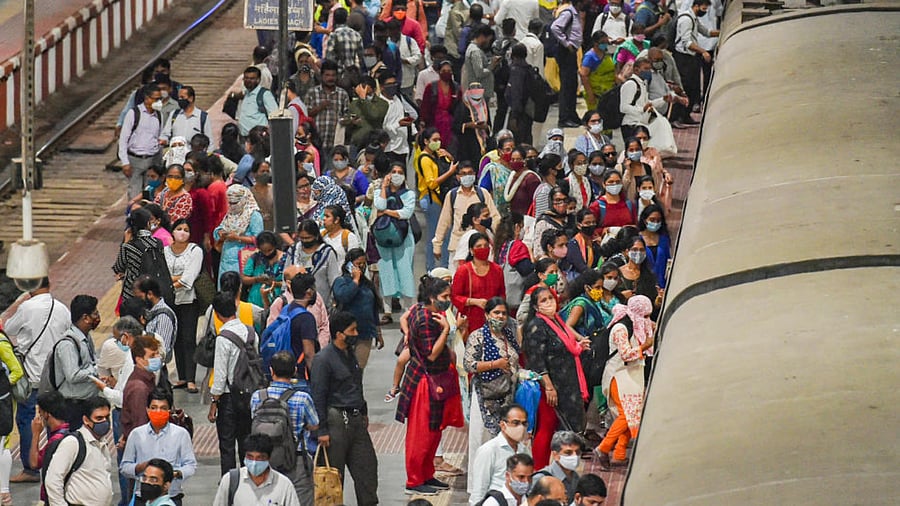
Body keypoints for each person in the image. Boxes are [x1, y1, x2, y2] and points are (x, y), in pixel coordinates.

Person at [396, 278, 465, 496]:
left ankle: (426, 474)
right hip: (424, 383)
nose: (448, 301)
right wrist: (445, 331)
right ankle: (414, 480)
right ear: (432, 298)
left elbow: (404, 318)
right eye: (444, 297)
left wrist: (407, 332)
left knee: (434, 431)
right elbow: (431, 354)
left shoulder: (419, 309)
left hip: (436, 380)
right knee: (422, 434)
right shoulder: (426, 320)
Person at [3, 277, 70, 484]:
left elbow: (9, 329)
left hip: (31, 375)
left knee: (26, 421)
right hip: (55, 377)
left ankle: (30, 469)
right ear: (49, 285)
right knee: (55, 420)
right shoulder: (61, 309)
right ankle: (56, 462)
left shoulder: (26, 308)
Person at [311, 312, 379, 505]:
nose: (356, 333)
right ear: (339, 334)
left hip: (356, 420)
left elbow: (357, 385)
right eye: (352, 330)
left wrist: (364, 411)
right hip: (336, 422)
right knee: (333, 476)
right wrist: (322, 430)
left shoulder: (351, 355)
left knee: (367, 469)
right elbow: (318, 395)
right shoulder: (323, 360)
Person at [523, 286, 590, 468]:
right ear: (536, 307)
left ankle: (562, 468)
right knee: (547, 427)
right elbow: (537, 360)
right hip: (550, 388)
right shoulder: (537, 326)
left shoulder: (557, 321)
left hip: (567, 383)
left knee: (565, 427)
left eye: (550, 298)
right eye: (543, 301)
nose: (549, 303)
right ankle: (539, 469)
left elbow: (566, 346)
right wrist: (549, 386)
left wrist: (579, 346)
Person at [250, 351, 320, 505]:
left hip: (264, 460)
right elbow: (314, 424)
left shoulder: (258, 397)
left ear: (271, 371)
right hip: (296, 459)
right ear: (294, 370)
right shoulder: (302, 398)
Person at [595, 295, 654, 468]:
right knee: (626, 415)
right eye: (645, 316)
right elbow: (626, 354)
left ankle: (619, 454)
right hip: (619, 376)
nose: (647, 320)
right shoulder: (621, 328)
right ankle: (603, 448)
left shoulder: (636, 325)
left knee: (632, 416)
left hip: (631, 376)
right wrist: (645, 346)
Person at [464, 298, 520, 473]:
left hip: (506, 396)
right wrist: (494, 364)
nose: (501, 317)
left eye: (504, 313)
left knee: (503, 442)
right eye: (496, 313)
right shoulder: (478, 336)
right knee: (482, 440)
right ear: (487, 315)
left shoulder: (508, 335)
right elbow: (469, 364)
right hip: (485, 396)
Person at [208, 292, 257, 475]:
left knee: (227, 446)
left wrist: (214, 402)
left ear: (217, 314)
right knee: (247, 442)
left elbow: (220, 376)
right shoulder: (251, 333)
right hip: (249, 396)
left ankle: (229, 483)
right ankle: (249, 480)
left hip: (229, 398)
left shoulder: (223, 338)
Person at [121, 389, 197, 506]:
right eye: (154, 407)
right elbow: (125, 467)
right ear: (147, 409)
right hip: (142, 498)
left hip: (171, 496)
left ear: (169, 410)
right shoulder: (136, 434)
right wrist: (141, 468)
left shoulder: (181, 434)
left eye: (163, 408)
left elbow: (191, 466)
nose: (158, 411)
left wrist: (174, 473)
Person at [44, 396, 113, 506]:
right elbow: (53, 480)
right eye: (99, 418)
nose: (105, 422)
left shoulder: (102, 443)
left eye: (107, 417)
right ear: (86, 420)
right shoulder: (73, 443)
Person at [47, 295, 101, 429]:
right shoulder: (68, 344)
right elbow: (73, 375)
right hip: (73, 407)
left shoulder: (86, 337)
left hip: (86, 402)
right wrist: (96, 369)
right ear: (85, 318)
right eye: (95, 313)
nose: (98, 316)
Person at [373, 162, 417, 319]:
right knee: (386, 272)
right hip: (383, 238)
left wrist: (385, 212)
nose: (397, 174)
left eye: (400, 172)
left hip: (403, 238)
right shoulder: (379, 191)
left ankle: (408, 310)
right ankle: (387, 311)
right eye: (394, 171)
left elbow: (406, 213)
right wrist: (384, 187)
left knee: (405, 272)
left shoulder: (409, 194)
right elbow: (379, 204)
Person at [212, 434, 302, 506]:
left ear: (268, 458)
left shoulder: (284, 485)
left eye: (260, 458)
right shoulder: (230, 481)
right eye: (250, 457)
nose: (254, 462)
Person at [468, 404, 531, 504]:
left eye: (524, 423)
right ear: (502, 425)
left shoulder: (524, 450)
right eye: (516, 423)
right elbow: (479, 490)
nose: (521, 427)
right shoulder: (489, 450)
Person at [416, 127, 458, 271]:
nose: (438, 142)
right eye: (434, 140)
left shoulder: (437, 155)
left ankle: (444, 265)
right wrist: (450, 172)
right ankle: (431, 267)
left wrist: (450, 157)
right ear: (426, 141)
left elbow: (449, 167)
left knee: (444, 233)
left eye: (439, 139)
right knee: (435, 235)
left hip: (439, 199)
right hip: (430, 199)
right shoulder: (424, 159)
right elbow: (432, 182)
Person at [332, 249, 383, 369]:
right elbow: (344, 297)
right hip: (345, 334)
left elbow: (373, 310)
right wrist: (355, 281)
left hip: (365, 333)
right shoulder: (341, 282)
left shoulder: (367, 285)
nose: (361, 267)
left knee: (359, 368)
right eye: (358, 264)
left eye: (363, 263)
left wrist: (378, 332)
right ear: (349, 264)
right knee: (344, 368)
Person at [671, 0, 719, 126]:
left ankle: (686, 115)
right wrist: (703, 51)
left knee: (693, 87)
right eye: (703, 8)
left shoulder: (694, 18)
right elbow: (687, 42)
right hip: (683, 58)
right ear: (696, 6)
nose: (704, 11)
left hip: (690, 58)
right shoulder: (686, 19)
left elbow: (706, 32)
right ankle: (677, 117)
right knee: (684, 86)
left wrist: (721, 33)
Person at [452, 232, 506, 335]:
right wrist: (475, 301)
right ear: (471, 250)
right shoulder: (463, 271)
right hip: (470, 321)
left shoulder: (497, 270)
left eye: (486, 246)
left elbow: (502, 294)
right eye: (479, 246)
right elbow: (455, 297)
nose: (483, 248)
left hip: (492, 320)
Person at [284, 220, 342, 310]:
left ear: (316, 236)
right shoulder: (293, 251)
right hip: (295, 305)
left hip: (321, 305)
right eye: (302, 238)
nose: (304, 241)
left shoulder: (326, 253)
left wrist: (332, 303)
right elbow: (286, 275)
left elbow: (334, 280)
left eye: (307, 238)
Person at [119, 83, 164, 199]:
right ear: (147, 98)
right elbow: (123, 139)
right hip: (135, 160)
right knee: (135, 192)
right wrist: (125, 162)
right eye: (156, 99)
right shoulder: (134, 114)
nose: (159, 102)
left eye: (160, 99)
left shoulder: (159, 115)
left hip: (152, 160)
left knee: (150, 193)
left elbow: (159, 136)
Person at [214, 185, 264, 286]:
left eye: (235, 203)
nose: (232, 206)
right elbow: (219, 228)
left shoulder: (253, 215)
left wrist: (238, 238)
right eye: (230, 203)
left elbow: (260, 239)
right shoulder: (231, 214)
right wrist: (220, 233)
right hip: (226, 259)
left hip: (245, 261)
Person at [29, 392, 69, 502]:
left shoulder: (55, 441)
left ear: (47, 414)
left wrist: (36, 434)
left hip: (54, 497)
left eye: (40, 412)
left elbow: (34, 463)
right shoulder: (68, 432)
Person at [550, 0, 584, 128]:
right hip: (566, 52)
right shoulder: (568, 12)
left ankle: (572, 114)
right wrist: (566, 43)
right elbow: (555, 27)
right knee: (566, 85)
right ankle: (564, 118)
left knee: (572, 84)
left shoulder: (574, 13)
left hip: (571, 52)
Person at [305, 59, 350, 151]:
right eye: (327, 75)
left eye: (333, 75)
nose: (330, 78)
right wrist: (320, 107)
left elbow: (347, 115)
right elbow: (306, 115)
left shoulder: (342, 94)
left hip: (335, 143)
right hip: (315, 143)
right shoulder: (312, 93)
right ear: (321, 76)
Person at [133, 275, 177, 362]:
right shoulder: (148, 311)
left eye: (140, 297)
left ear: (150, 294)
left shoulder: (164, 316)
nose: (139, 301)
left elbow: (161, 349)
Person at [532, 431, 583, 503]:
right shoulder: (541, 479)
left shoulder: (575, 477)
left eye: (577, 452)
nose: (574, 456)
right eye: (568, 452)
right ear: (555, 455)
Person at [240, 231, 284, 308]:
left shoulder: (286, 259)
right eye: (263, 251)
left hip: (278, 304)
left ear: (275, 246)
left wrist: (275, 283)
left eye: (270, 250)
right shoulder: (255, 258)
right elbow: (244, 278)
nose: (267, 254)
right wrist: (257, 279)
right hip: (256, 303)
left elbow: (290, 283)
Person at [461, 25, 499, 104]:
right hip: (478, 94)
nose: (488, 43)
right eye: (488, 40)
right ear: (482, 36)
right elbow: (480, 73)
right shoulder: (475, 52)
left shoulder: (473, 49)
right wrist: (492, 65)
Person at [638, 203, 671, 289]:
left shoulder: (664, 240)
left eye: (658, 220)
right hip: (643, 284)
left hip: (662, 285)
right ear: (645, 220)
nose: (655, 223)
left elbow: (667, 261)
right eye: (652, 220)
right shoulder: (637, 239)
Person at [322, 204, 362, 268]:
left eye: (327, 216)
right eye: (324, 216)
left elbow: (355, 263)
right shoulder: (321, 235)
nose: (324, 219)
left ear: (336, 220)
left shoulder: (349, 237)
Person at [326, 8, 365, 73]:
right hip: (354, 73)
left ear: (334, 20)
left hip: (339, 73)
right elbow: (361, 56)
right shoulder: (356, 34)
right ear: (347, 19)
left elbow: (329, 57)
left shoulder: (333, 35)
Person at [566, 209, 601, 275]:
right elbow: (581, 267)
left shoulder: (595, 241)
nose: (591, 225)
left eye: (593, 222)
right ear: (579, 226)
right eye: (587, 223)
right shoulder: (573, 244)